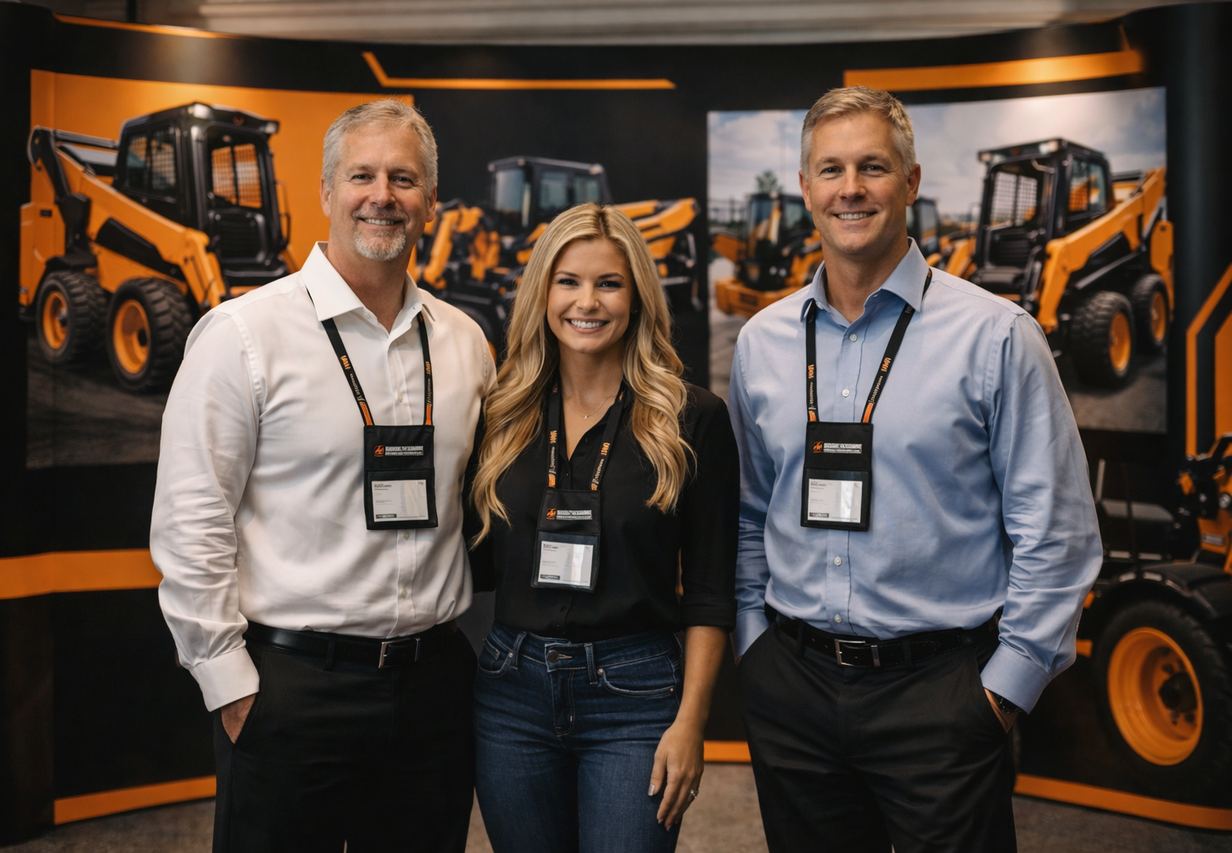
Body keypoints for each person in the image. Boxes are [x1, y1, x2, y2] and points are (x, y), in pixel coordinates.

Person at [729, 86, 1101, 852]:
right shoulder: (762, 342)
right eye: (831, 169)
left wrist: (1001, 692)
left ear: (911, 180)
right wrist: (754, 647)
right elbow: (747, 511)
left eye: (872, 166)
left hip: (941, 695)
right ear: (805, 188)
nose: (851, 188)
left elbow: (1057, 533)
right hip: (792, 688)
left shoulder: (997, 336)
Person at [151, 100, 494, 853]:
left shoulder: (466, 342)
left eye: (404, 178)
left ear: (432, 200)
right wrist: (229, 685)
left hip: (433, 689)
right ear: (327, 191)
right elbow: (190, 519)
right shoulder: (244, 334)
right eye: (362, 175)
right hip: (293, 688)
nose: (382, 196)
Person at [466, 202, 738, 853]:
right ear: (542, 292)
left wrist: (691, 721)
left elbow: (709, 592)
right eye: (569, 281)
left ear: (637, 296)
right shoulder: (501, 413)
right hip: (511, 690)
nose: (587, 302)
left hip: (635, 694)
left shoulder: (690, 419)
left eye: (608, 283)